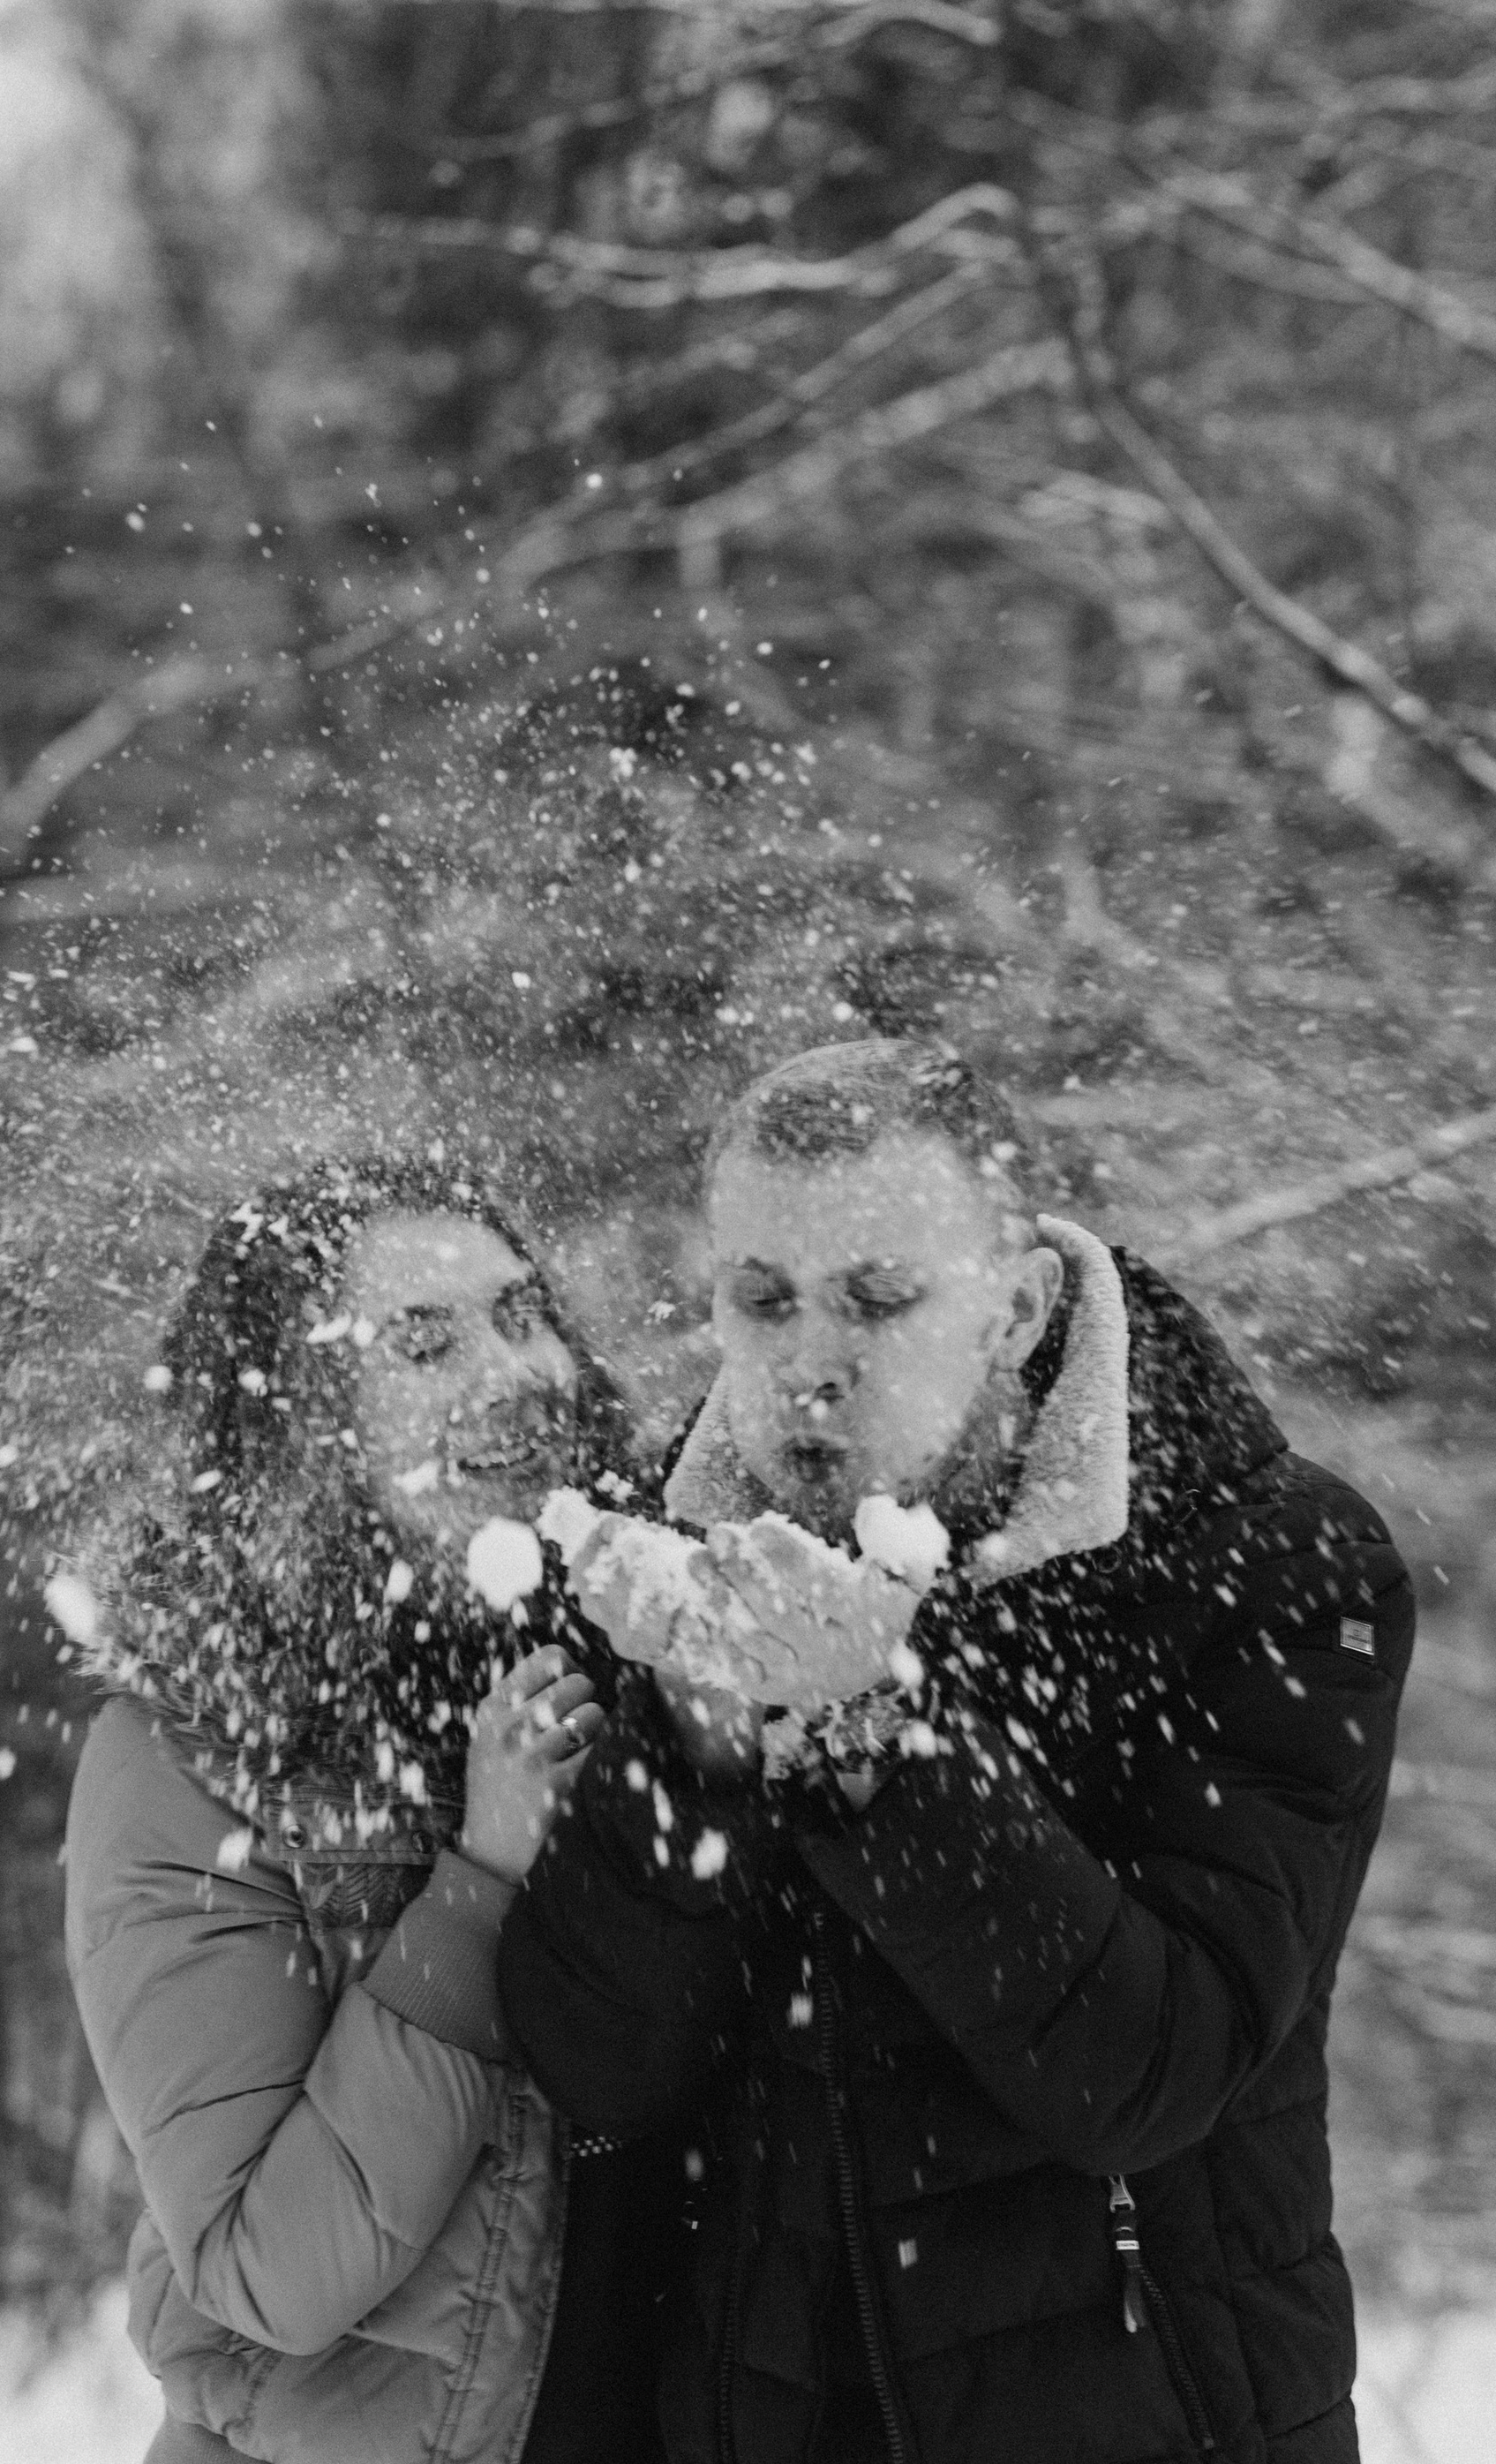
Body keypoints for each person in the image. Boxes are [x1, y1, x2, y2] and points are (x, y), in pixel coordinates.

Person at [499, 1038, 1414, 2464]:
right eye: (762, 1299)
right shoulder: (670, 1556)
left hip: (1151, 2416)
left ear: (1016, 1305)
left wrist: (883, 1733)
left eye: (877, 1299)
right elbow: (596, 2069)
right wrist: (697, 1743)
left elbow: (1153, 2073)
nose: (808, 1362)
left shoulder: (1267, 1562)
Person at [66, 1158, 682, 2464]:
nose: (514, 1370)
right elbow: (271, 2273)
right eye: (421, 1340)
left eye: (522, 1316)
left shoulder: (664, 1659)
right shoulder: (188, 1758)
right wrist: (485, 1874)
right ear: (295, 1421)